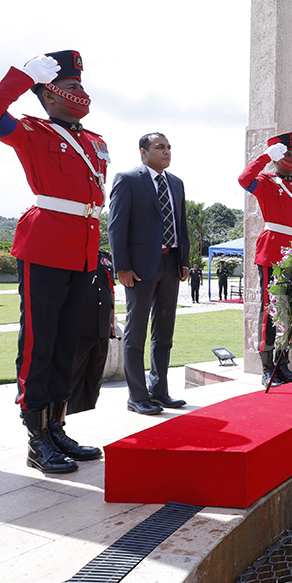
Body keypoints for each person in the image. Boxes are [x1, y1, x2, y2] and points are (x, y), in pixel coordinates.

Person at [0, 50, 106, 473]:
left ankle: (57, 428)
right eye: (71, 87)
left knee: (67, 344)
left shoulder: (92, 141)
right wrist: (21, 76)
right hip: (45, 247)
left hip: (82, 251)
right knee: (39, 345)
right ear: (48, 96)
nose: (80, 93)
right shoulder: (31, 131)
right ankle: (37, 439)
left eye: (81, 86)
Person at [108, 133, 190, 415]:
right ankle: (137, 396)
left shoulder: (176, 183)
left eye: (169, 147)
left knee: (164, 333)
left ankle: (159, 391)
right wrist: (122, 267)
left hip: (171, 266)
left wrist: (185, 261)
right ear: (144, 152)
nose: (167, 151)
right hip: (139, 270)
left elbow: (182, 225)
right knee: (136, 333)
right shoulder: (128, 180)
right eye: (160, 147)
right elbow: (116, 227)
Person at [237, 131, 292, 385]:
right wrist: (265, 156)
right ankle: (267, 368)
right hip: (272, 253)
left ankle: (282, 363)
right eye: (285, 153)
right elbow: (244, 180)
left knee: (291, 311)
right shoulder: (266, 181)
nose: (290, 157)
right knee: (270, 309)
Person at [68, 247, 117, 414]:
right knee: (73, 378)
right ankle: (68, 416)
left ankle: (89, 413)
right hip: (80, 326)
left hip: (101, 327)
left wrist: (112, 321)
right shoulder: (72, 252)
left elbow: (110, 290)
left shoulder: (105, 257)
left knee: (94, 378)